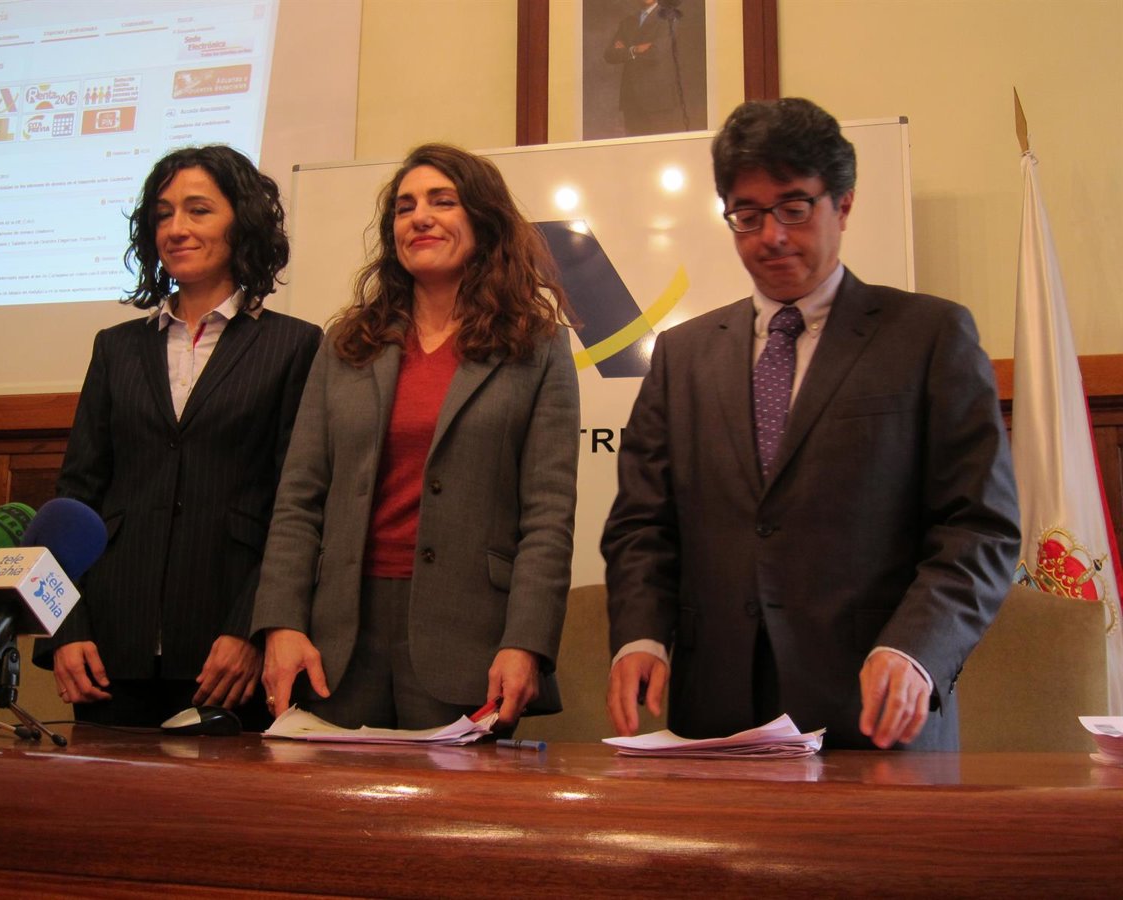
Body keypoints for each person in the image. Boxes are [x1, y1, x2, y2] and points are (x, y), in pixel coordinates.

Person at [601, 98, 1020, 750]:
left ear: (843, 205)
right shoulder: (682, 356)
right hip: (716, 713)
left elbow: (979, 526)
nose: (770, 235)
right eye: (747, 214)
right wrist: (642, 634)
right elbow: (642, 523)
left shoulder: (929, 336)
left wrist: (916, 648)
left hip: (875, 713)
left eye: (794, 208)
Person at [253, 143, 580, 731]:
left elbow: (548, 516)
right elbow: (298, 498)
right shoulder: (347, 343)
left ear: (483, 220)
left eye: (442, 201)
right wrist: (282, 623)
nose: (420, 218)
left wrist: (525, 643)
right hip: (336, 642)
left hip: (470, 638)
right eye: (405, 208)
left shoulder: (538, 346)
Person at [34, 145, 322, 729]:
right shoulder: (115, 348)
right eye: (163, 214)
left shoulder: (295, 345)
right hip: (110, 647)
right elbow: (75, 498)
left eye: (198, 210)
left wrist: (251, 630)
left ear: (242, 222)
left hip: (227, 651)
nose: (176, 228)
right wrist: (65, 627)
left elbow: (295, 506)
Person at [603, 0, 684, 136]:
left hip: (658, 99)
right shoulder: (628, 21)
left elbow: (656, 53)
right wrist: (634, 49)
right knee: (634, 146)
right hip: (631, 99)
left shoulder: (669, 17)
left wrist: (625, 50)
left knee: (658, 145)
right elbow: (610, 55)